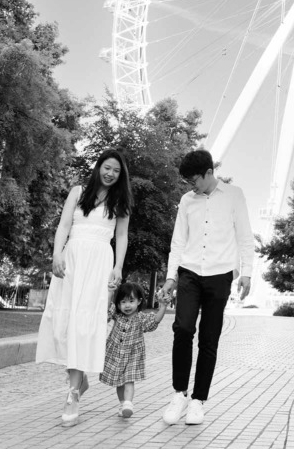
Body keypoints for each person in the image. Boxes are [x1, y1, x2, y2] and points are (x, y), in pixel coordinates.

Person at [35, 149, 132, 427]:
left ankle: (73, 393)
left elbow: (122, 236)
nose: (110, 173)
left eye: (116, 170)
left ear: (120, 175)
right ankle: (79, 380)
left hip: (100, 262)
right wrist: (57, 254)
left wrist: (118, 267)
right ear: (98, 167)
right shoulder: (78, 192)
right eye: (107, 167)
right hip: (73, 260)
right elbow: (64, 225)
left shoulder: (120, 200)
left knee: (84, 324)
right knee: (67, 322)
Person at [158, 149, 254, 426]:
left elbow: (245, 237)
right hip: (189, 273)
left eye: (195, 180)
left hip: (220, 274)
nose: (192, 186)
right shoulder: (187, 201)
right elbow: (178, 242)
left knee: (209, 339)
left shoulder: (235, 195)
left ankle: (198, 400)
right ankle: (179, 394)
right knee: (183, 329)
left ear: (210, 173)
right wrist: (170, 277)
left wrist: (246, 273)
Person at [101, 281, 168, 417]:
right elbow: (105, 312)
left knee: (129, 379)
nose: (127, 305)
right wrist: (110, 292)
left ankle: (128, 403)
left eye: (131, 301)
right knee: (119, 382)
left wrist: (163, 307)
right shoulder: (116, 315)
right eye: (123, 302)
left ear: (139, 302)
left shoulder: (140, 318)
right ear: (118, 304)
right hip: (115, 354)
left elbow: (155, 321)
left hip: (133, 355)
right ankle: (122, 404)